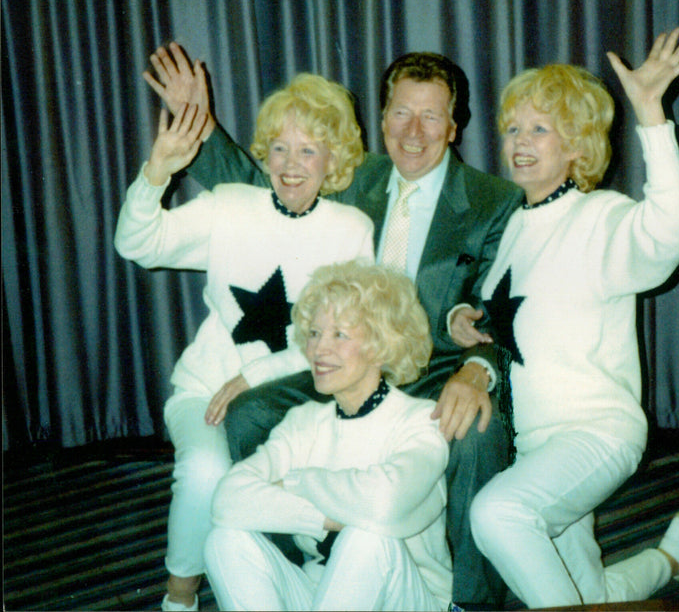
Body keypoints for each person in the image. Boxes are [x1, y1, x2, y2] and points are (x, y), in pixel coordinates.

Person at [144, 45, 523, 607]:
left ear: (454, 124)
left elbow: (505, 307)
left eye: (431, 115)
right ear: (382, 117)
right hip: (339, 360)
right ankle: (292, 563)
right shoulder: (353, 177)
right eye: (400, 113)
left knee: (475, 431)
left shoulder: (494, 200)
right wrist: (198, 126)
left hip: (433, 368)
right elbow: (263, 182)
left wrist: (477, 368)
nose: (412, 132)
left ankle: (469, 601)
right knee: (249, 414)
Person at [449, 28, 679, 608]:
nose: (519, 141)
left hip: (596, 433)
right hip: (538, 446)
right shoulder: (514, 226)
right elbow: (509, 316)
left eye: (540, 128)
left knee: (499, 513)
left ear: (578, 147)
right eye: (513, 128)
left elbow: (670, 231)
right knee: (584, 594)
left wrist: (651, 116)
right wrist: (468, 318)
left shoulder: (598, 217)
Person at [115, 73, 374, 611]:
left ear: (334, 159)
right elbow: (138, 243)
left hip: (302, 395)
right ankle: (178, 597)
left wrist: (255, 376)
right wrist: (156, 172)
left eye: (308, 149)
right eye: (279, 148)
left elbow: (349, 335)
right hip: (206, 391)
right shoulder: (229, 205)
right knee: (207, 471)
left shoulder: (351, 229)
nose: (290, 164)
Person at [203, 260, 452, 610]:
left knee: (366, 538)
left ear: (381, 345)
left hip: (407, 597)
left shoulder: (420, 422)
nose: (319, 350)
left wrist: (293, 483)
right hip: (322, 590)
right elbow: (227, 500)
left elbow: (382, 506)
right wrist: (324, 517)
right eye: (315, 333)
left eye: (340, 334)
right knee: (224, 540)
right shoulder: (303, 422)